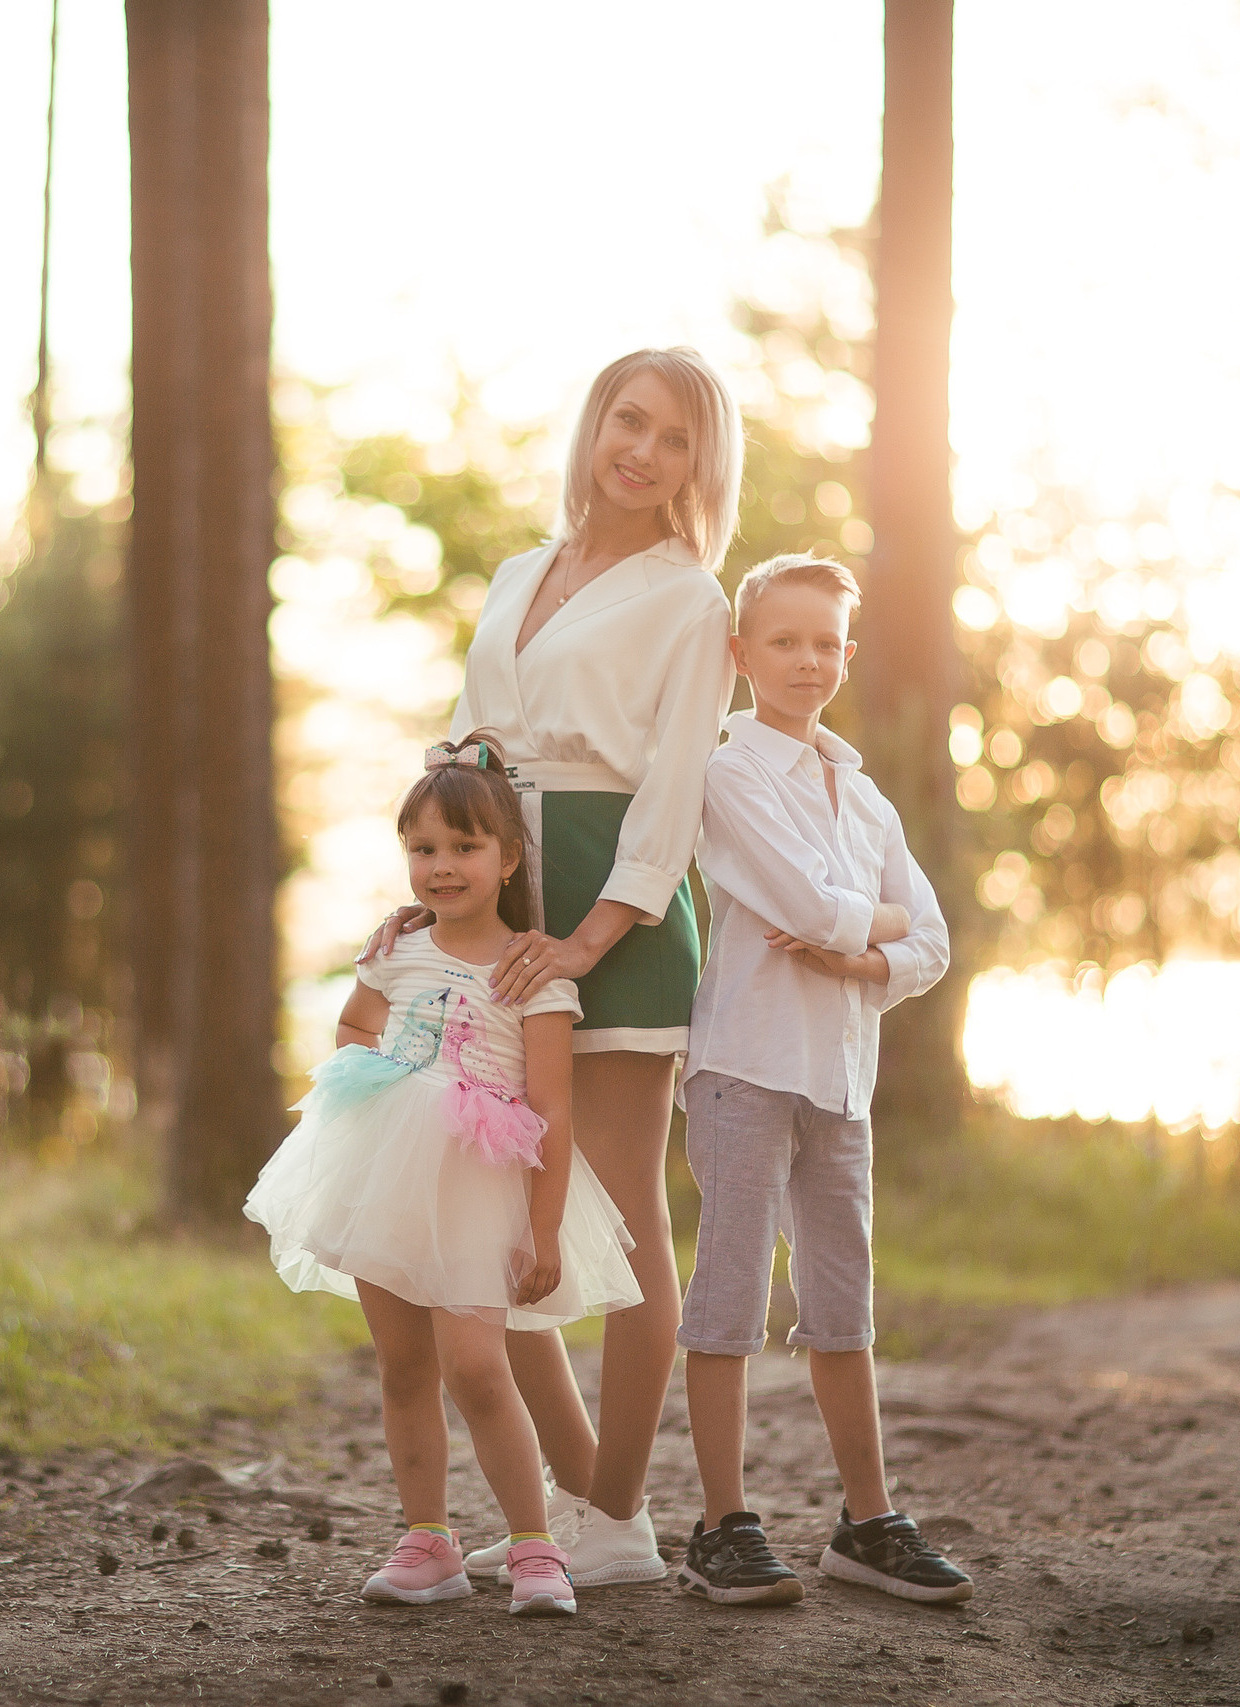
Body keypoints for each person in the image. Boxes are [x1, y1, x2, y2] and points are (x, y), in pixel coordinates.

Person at [363, 347, 742, 1586]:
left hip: (610, 911)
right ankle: (584, 1501)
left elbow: (677, 782)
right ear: (594, 427)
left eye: (675, 439)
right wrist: (427, 905)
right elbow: (470, 752)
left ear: (700, 464)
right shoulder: (521, 570)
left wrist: (591, 933)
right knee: (497, 1207)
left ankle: (619, 1509)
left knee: (621, 1211)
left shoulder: (691, 599)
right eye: (628, 421)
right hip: (497, 900)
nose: (642, 450)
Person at [247, 736, 644, 1617]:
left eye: (464, 847)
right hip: (387, 1171)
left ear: (507, 858)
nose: (442, 865)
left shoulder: (533, 973)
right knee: (401, 1365)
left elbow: (553, 1112)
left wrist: (543, 1230)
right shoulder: (395, 951)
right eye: (423, 848)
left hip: (480, 1183)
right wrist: (396, 1083)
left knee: (477, 1364)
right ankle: (428, 1539)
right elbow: (353, 1031)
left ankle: (539, 1547)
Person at [672, 554, 973, 1608]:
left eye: (824, 644)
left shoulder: (867, 796)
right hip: (745, 1065)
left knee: (842, 1303)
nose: (805, 660)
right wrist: (866, 923)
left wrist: (863, 950)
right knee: (733, 1292)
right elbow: (807, 904)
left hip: (841, 1076)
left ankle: (867, 1521)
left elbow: (930, 940)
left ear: (847, 655)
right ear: (741, 653)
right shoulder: (729, 771)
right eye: (783, 641)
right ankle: (721, 1522)